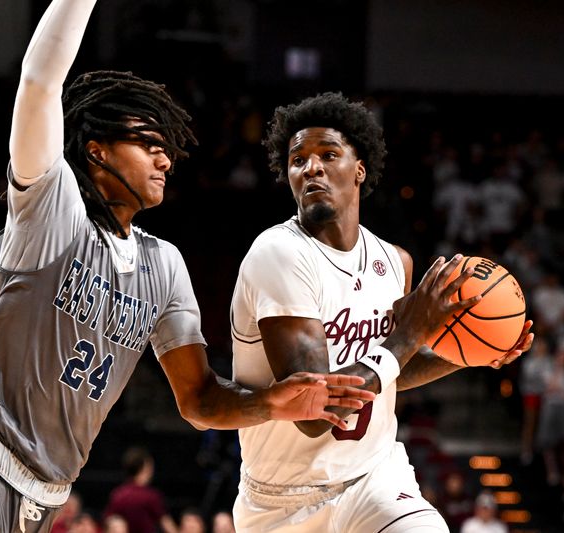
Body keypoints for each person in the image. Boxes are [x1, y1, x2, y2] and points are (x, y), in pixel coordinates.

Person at [0, 2, 375, 532]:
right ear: (96, 152)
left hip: (48, 494)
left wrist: (271, 404)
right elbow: (38, 83)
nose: (165, 159)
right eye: (148, 144)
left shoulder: (164, 265)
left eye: (165, 148)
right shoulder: (52, 214)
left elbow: (199, 400)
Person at [229, 92, 534, 532]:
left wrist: (466, 354)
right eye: (298, 160)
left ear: (360, 169)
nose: (310, 167)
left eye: (328, 154)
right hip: (283, 503)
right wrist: (408, 335)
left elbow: (388, 374)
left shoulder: (394, 262)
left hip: (375, 477)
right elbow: (316, 413)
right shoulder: (278, 254)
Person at [102, 447, 176, 533]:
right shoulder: (151, 496)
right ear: (145, 466)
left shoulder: (118, 494)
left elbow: (108, 522)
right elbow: (167, 525)